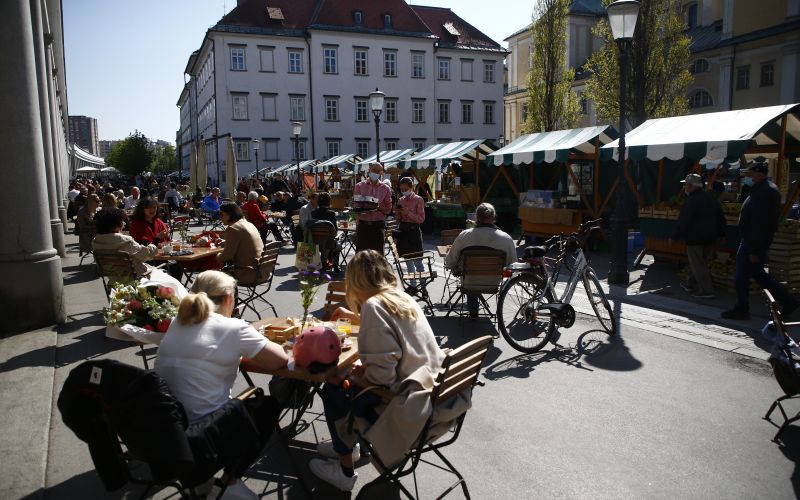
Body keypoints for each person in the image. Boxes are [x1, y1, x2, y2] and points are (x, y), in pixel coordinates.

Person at [309, 251, 447, 492]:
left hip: (403, 405)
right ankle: (347, 443)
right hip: (433, 394)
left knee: (333, 385)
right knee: (346, 379)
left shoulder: (374, 306)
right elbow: (396, 332)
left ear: (354, 281)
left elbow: (381, 378)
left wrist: (354, 374)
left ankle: (345, 467)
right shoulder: (402, 297)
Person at [155, 270, 287, 499]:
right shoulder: (234, 328)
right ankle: (229, 483)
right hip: (206, 435)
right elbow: (280, 361)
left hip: (168, 430)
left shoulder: (179, 322)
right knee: (267, 405)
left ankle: (206, 482)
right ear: (228, 298)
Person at [722, 161, 799, 320]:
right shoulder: (762, 189)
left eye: (750, 173)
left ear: (759, 173)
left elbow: (760, 224)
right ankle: (788, 301)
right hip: (752, 240)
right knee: (758, 275)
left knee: (741, 278)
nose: (748, 176)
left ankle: (742, 309)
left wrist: (755, 250)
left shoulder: (765, 192)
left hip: (752, 242)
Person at [445, 203, 517, 318]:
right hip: (493, 283)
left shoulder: (464, 235)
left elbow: (450, 261)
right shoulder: (506, 238)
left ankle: (473, 313)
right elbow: (512, 266)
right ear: (494, 218)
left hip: (469, 283)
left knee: (469, 277)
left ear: (476, 218)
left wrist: (453, 265)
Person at [671, 174, 726, 299]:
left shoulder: (690, 201)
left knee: (698, 263)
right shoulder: (711, 198)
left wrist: (674, 236)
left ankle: (706, 290)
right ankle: (690, 283)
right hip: (710, 237)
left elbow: (684, 221)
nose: (684, 187)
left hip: (695, 237)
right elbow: (720, 218)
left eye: (685, 184)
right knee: (699, 262)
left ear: (690, 186)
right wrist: (722, 234)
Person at [216, 203, 264, 284]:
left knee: (208, 275)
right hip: (262, 271)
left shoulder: (233, 228)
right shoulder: (248, 223)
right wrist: (226, 242)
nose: (220, 217)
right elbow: (244, 241)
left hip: (247, 273)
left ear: (230, 215)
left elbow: (226, 256)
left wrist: (217, 255)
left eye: (221, 214)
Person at [353, 162, 392, 253]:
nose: (376, 173)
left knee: (378, 256)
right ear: (369, 170)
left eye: (378, 171)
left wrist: (378, 207)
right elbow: (356, 205)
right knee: (361, 257)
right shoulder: (359, 186)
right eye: (374, 170)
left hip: (378, 226)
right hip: (363, 225)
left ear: (381, 173)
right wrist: (359, 208)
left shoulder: (385, 188)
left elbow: (388, 210)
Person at [395, 177, 426, 284]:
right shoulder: (400, 200)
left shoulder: (418, 199)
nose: (403, 191)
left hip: (414, 231)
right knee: (408, 261)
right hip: (403, 230)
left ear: (411, 187)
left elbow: (421, 219)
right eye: (401, 189)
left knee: (418, 262)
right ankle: (413, 285)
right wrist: (398, 213)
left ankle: (423, 286)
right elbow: (398, 219)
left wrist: (408, 213)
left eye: (405, 189)